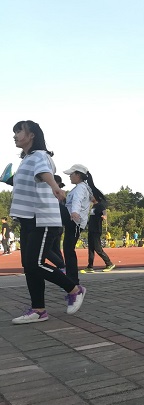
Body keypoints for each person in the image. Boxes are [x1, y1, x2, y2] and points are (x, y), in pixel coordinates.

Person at [9, 120, 85, 324]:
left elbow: (44, 173)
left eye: (19, 131)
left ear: (31, 135)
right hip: (28, 219)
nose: (15, 135)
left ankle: (74, 289)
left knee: (35, 264)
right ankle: (38, 310)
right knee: (29, 266)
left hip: (42, 219)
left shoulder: (40, 155)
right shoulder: (27, 159)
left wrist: (55, 187)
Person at [62, 164, 94, 284]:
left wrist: (75, 211)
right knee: (68, 249)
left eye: (71, 174)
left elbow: (77, 200)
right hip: (73, 220)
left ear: (78, 175)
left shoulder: (81, 187)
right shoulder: (81, 187)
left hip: (74, 221)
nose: (69, 176)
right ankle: (72, 277)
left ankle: (73, 279)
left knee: (69, 249)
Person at [84, 195, 115, 272]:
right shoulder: (93, 206)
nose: (90, 197)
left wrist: (105, 216)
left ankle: (109, 263)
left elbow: (104, 212)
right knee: (90, 249)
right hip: (91, 230)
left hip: (96, 230)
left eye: (92, 196)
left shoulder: (100, 205)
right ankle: (90, 267)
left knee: (98, 249)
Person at [45, 175, 68, 272]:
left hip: (52, 224)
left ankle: (61, 265)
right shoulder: (62, 195)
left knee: (45, 249)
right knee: (56, 248)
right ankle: (62, 267)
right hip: (59, 225)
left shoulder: (53, 194)